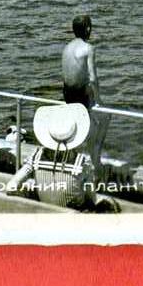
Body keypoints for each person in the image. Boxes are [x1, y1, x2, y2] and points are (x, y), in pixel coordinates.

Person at [61, 15, 104, 170]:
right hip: (81, 95)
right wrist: (98, 100)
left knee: (76, 125)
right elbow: (92, 78)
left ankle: (73, 156)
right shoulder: (88, 48)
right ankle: (95, 160)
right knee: (104, 119)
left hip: (67, 94)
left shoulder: (67, 47)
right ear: (87, 29)